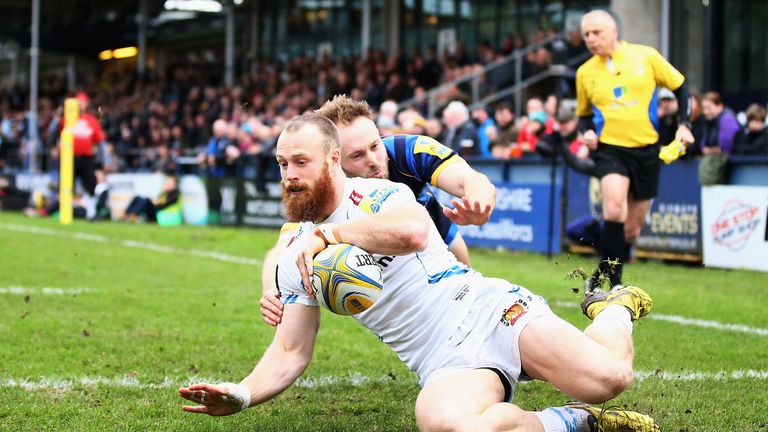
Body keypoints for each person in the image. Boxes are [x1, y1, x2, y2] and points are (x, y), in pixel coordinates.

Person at [179, 114, 661, 432]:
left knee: (609, 377)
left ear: (330, 160)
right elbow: (290, 351)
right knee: (445, 424)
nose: (289, 174)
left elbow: (410, 231)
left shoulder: (380, 193)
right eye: (282, 163)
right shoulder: (295, 250)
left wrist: (331, 236)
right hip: (442, 361)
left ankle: (615, 309)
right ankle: (578, 423)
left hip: (490, 310)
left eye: (300, 162)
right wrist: (241, 394)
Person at [259, 95, 496, 326]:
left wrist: (479, 201)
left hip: (437, 233)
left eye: (375, 145)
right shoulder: (323, 188)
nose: (373, 160)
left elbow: (470, 179)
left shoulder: (407, 150)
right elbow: (285, 245)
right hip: (382, 257)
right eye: (357, 155)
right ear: (334, 160)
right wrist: (271, 289)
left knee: (465, 299)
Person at [575, 10, 694, 291]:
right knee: (614, 209)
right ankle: (616, 285)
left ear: (614, 31)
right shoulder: (584, 72)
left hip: (647, 150)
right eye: (586, 35)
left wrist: (685, 124)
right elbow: (583, 116)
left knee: (632, 228)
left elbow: (682, 88)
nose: (591, 39)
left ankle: (602, 272)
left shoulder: (646, 56)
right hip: (610, 150)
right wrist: (587, 132)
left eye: (597, 33)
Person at [57, 91, 106, 219]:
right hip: (69, 158)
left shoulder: (91, 121)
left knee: (91, 185)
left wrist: (105, 161)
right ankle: (66, 212)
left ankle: (91, 213)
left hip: (86, 158)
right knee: (67, 186)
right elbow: (56, 133)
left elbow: (100, 141)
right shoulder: (66, 119)